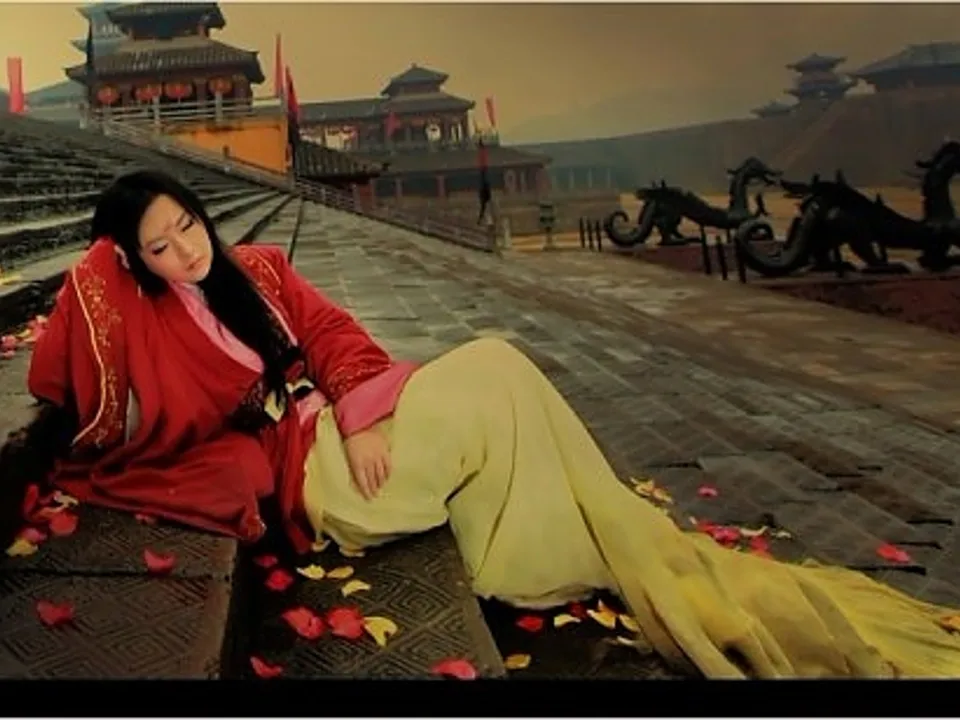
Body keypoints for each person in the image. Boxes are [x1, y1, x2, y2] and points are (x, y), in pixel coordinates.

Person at [4, 168, 960, 679]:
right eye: (157, 246)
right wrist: (106, 256)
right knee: (494, 375)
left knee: (497, 360)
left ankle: (535, 538)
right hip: (317, 479)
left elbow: (332, 334)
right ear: (133, 260)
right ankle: (535, 543)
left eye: (186, 225)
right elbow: (87, 366)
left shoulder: (256, 270)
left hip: (347, 435)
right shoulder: (154, 325)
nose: (184, 249)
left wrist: (357, 410)